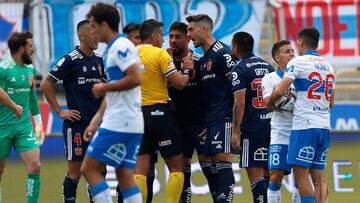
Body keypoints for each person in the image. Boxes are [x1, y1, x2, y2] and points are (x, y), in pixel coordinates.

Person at [80, 3, 143, 203]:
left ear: (104, 25)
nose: (91, 30)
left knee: (88, 169)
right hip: (129, 122)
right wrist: (95, 121)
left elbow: (135, 78)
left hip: (120, 122)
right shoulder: (114, 48)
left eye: (92, 25)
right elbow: (116, 90)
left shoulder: (120, 46)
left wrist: (103, 87)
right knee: (124, 176)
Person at [267, 27, 335, 203]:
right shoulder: (328, 66)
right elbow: (331, 103)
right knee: (319, 178)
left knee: (301, 176)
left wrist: (269, 102)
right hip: (324, 126)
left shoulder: (298, 63)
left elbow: (280, 90)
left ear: (299, 41)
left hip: (305, 126)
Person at [41, 19, 105, 203]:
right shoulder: (70, 59)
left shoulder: (100, 61)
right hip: (77, 126)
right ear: (81, 36)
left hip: (98, 126)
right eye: (93, 34)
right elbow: (46, 83)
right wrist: (60, 111)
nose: (97, 38)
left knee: (99, 170)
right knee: (75, 172)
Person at [135, 19, 193, 203]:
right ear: (154, 36)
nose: (163, 40)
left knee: (140, 171)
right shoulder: (160, 54)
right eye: (161, 36)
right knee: (177, 168)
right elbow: (180, 83)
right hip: (159, 113)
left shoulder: (130, 54)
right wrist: (187, 70)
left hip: (137, 115)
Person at [186, 14, 236, 203]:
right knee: (213, 169)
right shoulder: (205, 57)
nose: (189, 35)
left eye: (191, 30)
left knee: (223, 165)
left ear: (204, 29)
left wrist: (234, 122)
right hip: (211, 120)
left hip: (224, 119)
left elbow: (238, 88)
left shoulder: (222, 52)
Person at [167, 21, 213, 203]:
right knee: (181, 174)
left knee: (210, 171)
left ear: (187, 38)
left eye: (178, 37)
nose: (173, 41)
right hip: (176, 125)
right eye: (170, 37)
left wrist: (209, 120)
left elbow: (210, 93)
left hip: (200, 124)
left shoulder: (199, 62)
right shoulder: (165, 63)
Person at [0, 31, 45, 203]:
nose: (33, 50)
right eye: (30, 46)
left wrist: (38, 123)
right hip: (2, 127)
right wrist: (13, 106)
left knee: (35, 166)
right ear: (21, 49)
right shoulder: (3, 69)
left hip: (23, 127)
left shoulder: (30, 69)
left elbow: (32, 96)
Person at [230, 31, 273, 203]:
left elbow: (239, 103)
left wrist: (235, 131)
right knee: (268, 174)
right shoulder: (268, 66)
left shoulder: (239, 69)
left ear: (235, 47)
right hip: (270, 125)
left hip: (252, 128)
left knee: (255, 176)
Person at [261, 40, 301, 203]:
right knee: (276, 176)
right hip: (280, 132)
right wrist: (280, 99)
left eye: (292, 50)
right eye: (287, 51)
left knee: (301, 177)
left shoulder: (300, 76)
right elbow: (269, 107)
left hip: (300, 131)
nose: (292, 53)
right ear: (277, 57)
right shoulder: (269, 79)